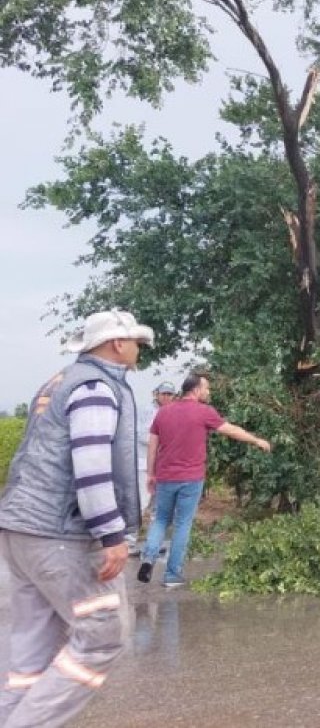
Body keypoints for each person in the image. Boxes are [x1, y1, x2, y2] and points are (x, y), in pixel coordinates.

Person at [0, 310, 154, 727]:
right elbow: (90, 463)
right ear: (116, 344)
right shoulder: (96, 387)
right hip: (59, 534)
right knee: (102, 637)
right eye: (136, 341)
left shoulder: (59, 381)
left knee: (31, 652)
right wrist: (111, 534)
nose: (140, 348)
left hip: (20, 528)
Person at [137, 372, 271, 587]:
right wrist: (256, 440)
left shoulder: (163, 413)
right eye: (207, 388)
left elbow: (153, 446)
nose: (209, 392)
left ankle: (148, 559)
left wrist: (151, 474)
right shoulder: (203, 412)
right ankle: (172, 575)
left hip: (166, 476)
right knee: (182, 524)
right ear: (196, 390)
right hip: (191, 479)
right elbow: (231, 430)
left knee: (161, 519)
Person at [127, 380, 177, 553]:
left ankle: (153, 543)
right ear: (156, 394)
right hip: (143, 465)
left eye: (169, 394)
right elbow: (142, 435)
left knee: (160, 507)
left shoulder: (173, 412)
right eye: (163, 393)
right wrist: (164, 442)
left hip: (163, 466)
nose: (166, 397)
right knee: (140, 503)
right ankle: (129, 542)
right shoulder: (147, 411)